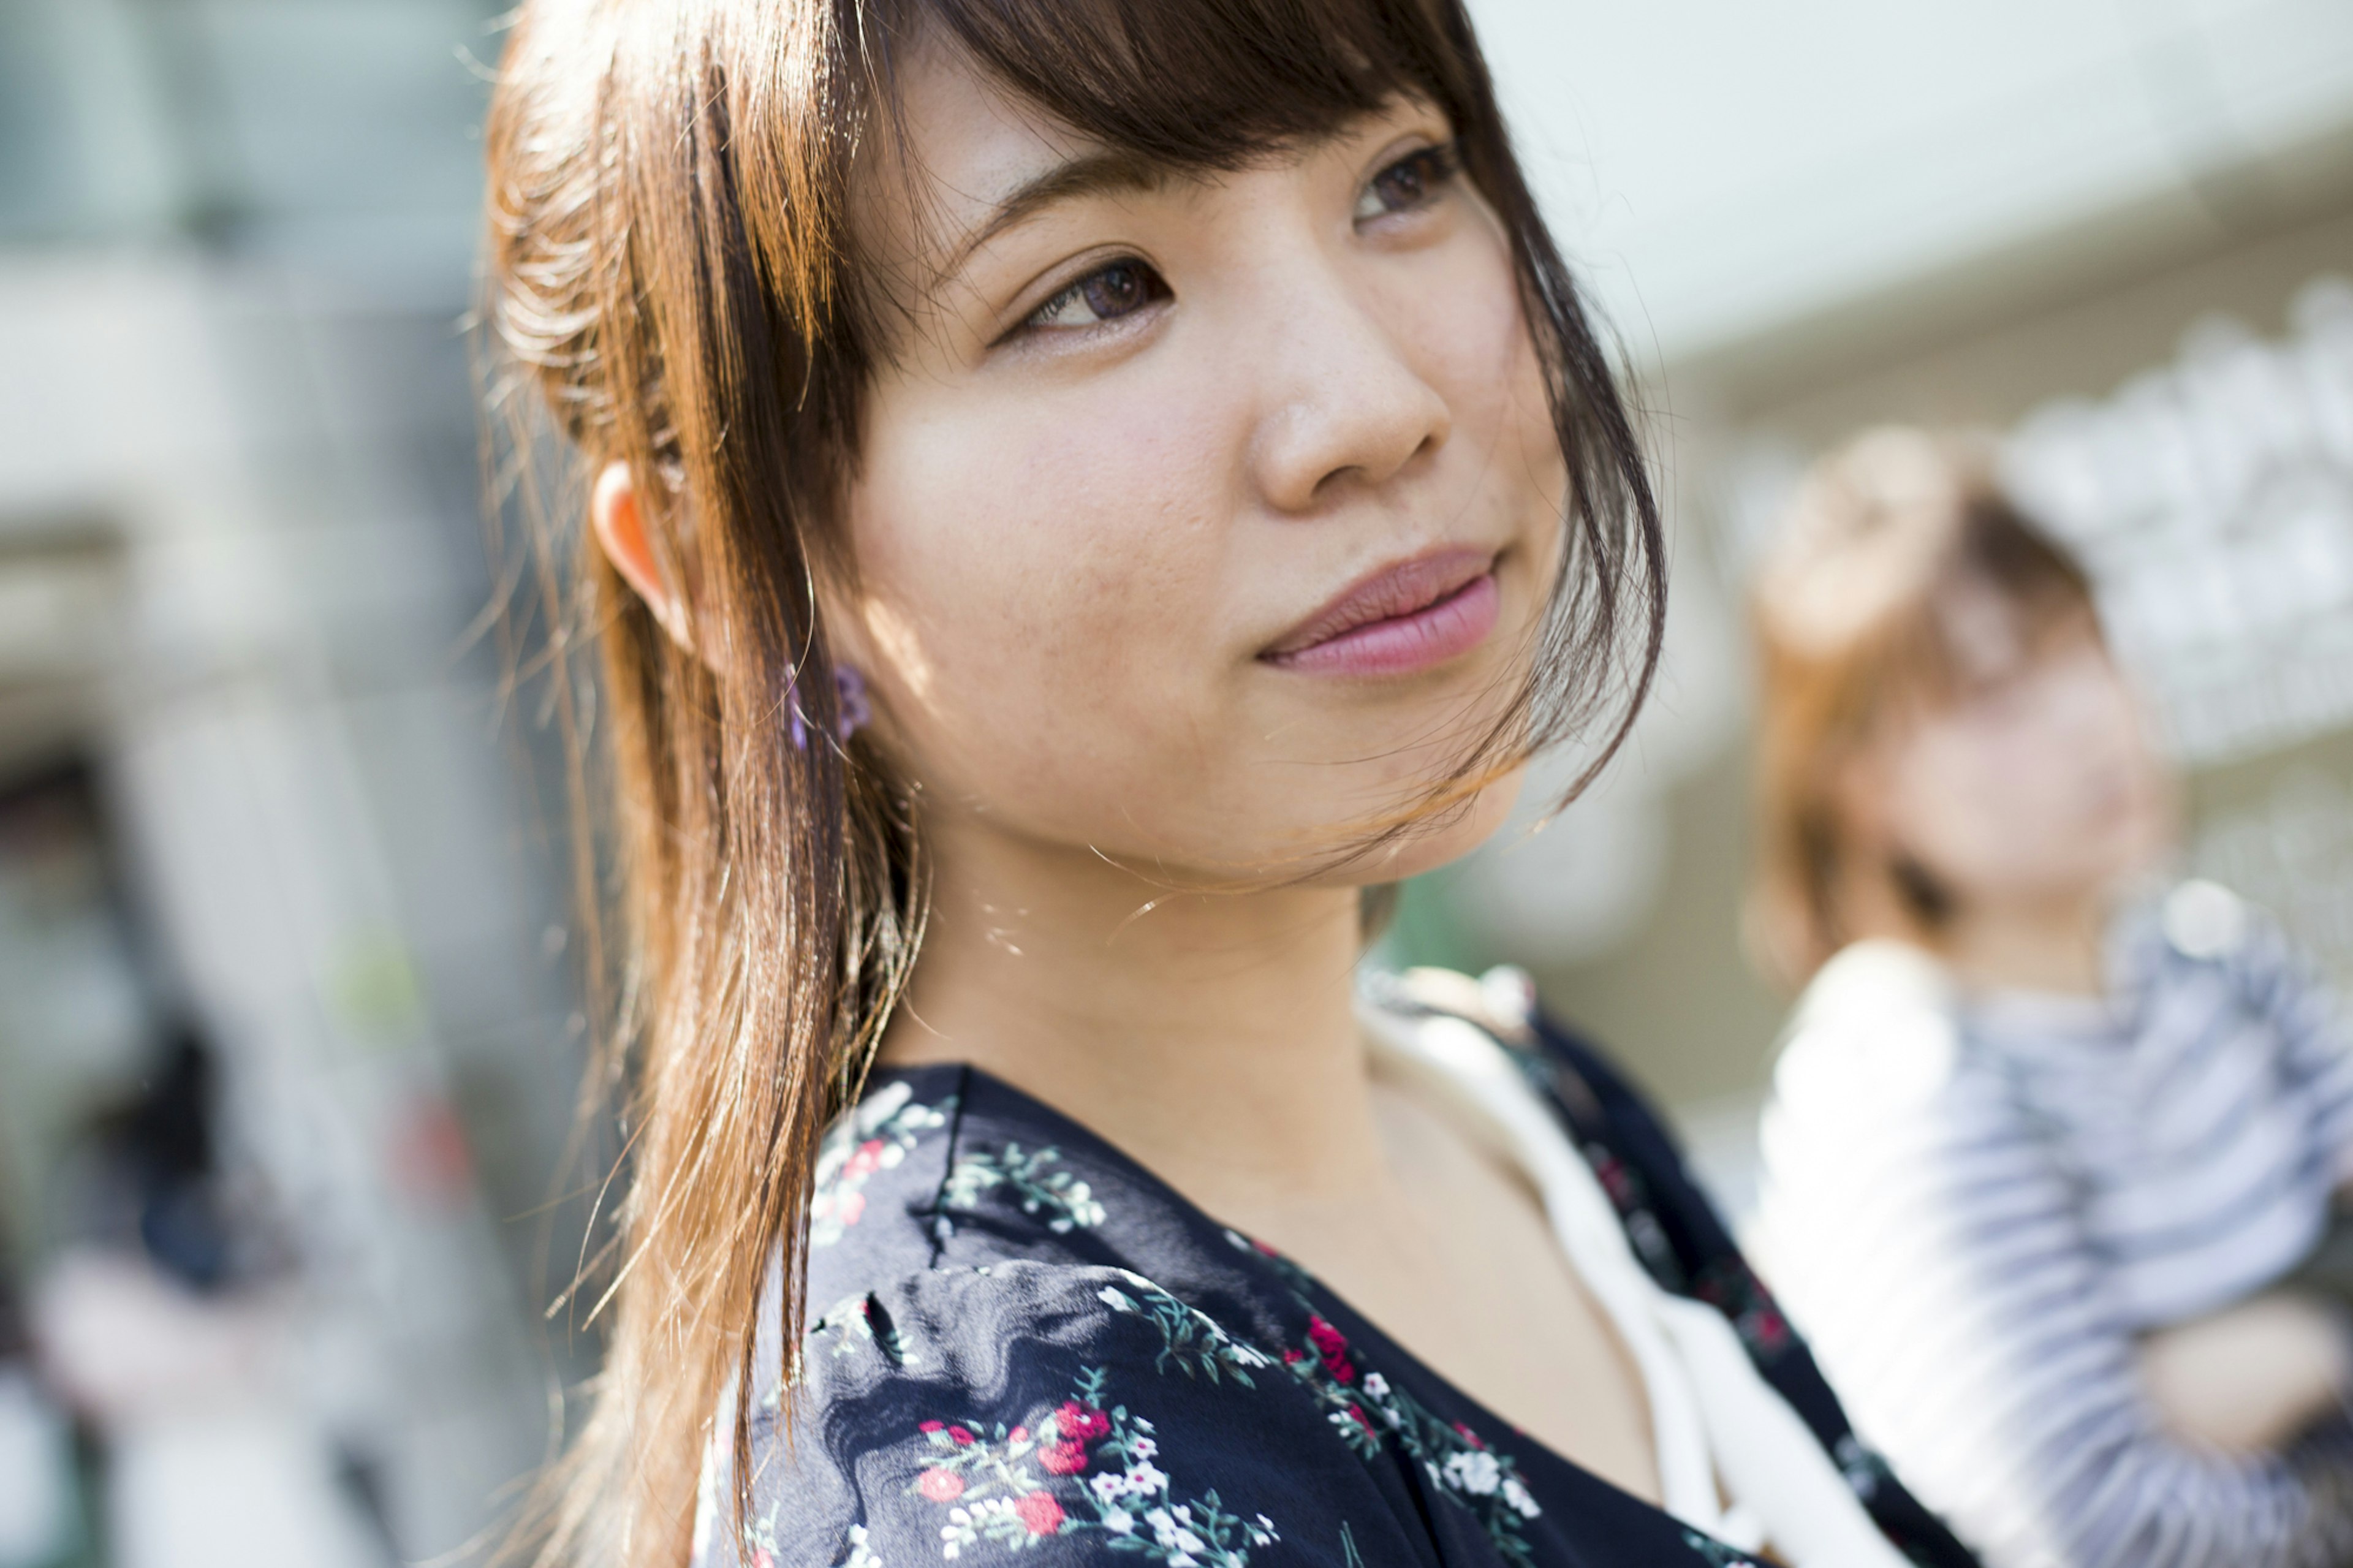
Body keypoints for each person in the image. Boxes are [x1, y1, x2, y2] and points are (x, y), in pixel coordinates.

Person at [481, 6, 1978, 1566]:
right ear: (735, 574)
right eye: (1098, 289)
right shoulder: (992, 1446)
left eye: (1402, 178)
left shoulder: (1517, 1110)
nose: (1373, 402)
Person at [1749, 427, 2353, 1568]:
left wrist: (2281, 1356)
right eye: (1996, 696)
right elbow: (2085, 1534)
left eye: (2083, 647)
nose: (2088, 715)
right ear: (1864, 785)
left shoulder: (2213, 960)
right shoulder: (1901, 1084)